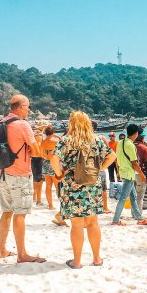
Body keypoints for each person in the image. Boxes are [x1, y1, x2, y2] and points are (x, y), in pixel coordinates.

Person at [50, 111, 116, 269]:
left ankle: (77, 262)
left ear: (71, 123)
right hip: (92, 186)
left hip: (73, 187)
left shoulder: (66, 140)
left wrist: (60, 173)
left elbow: (53, 158)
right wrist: (99, 168)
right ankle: (97, 259)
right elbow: (112, 156)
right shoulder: (96, 140)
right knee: (93, 223)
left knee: (77, 224)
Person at [0, 94, 46, 263]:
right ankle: (22, 254)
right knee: (20, 214)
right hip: (20, 174)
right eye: (28, 107)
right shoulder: (23, 125)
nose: (29, 110)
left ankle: (1, 249)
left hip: (4, 173)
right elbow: (37, 151)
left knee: (6, 212)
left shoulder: (2, 122)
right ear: (21, 107)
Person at [111, 124, 147, 226]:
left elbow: (118, 157)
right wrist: (142, 175)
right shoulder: (130, 145)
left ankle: (139, 218)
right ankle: (115, 220)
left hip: (123, 172)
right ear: (136, 133)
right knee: (123, 198)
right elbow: (134, 163)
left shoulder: (120, 142)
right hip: (129, 174)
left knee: (133, 197)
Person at [41, 125, 60, 210]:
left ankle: (50, 205)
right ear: (53, 133)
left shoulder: (43, 142)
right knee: (57, 186)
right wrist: (57, 136)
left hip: (45, 163)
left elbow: (41, 154)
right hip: (54, 163)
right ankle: (61, 204)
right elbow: (64, 143)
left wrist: (46, 157)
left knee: (48, 186)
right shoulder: (55, 142)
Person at [134, 132, 147, 213]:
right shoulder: (144, 148)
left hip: (129, 174)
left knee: (133, 195)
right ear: (141, 138)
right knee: (140, 196)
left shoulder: (129, 146)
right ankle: (138, 215)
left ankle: (133, 213)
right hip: (140, 174)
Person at [31, 128, 45, 206]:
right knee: (40, 181)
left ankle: (34, 197)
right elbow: (40, 150)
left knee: (35, 180)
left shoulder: (32, 139)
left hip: (33, 159)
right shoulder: (40, 137)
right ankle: (38, 200)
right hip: (39, 159)